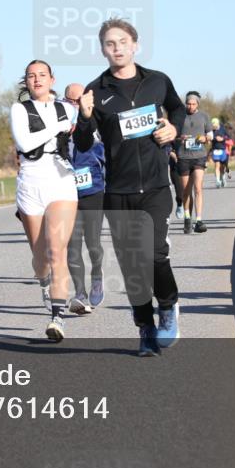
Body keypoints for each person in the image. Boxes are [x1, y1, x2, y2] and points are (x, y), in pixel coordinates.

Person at [74, 18, 185, 356]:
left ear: (135, 45)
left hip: (153, 185)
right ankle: (145, 329)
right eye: (110, 43)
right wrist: (83, 115)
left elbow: (177, 109)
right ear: (103, 50)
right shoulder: (97, 90)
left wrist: (173, 130)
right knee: (131, 266)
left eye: (122, 41)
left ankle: (167, 306)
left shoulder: (157, 81)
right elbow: (81, 143)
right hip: (117, 190)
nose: (117, 47)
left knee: (152, 253)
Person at [10, 60, 79, 340]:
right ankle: (43, 280)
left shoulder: (68, 109)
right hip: (30, 181)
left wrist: (81, 116)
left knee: (56, 251)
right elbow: (25, 143)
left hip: (61, 180)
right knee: (41, 260)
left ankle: (57, 317)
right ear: (26, 82)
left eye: (42, 75)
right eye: (31, 76)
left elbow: (83, 134)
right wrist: (57, 127)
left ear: (52, 79)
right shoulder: (19, 109)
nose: (36, 79)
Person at [64, 82, 106, 313]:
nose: (76, 104)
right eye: (72, 100)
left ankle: (97, 277)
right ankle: (79, 293)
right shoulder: (58, 122)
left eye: (80, 100)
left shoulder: (95, 120)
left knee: (93, 242)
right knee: (72, 245)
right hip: (66, 192)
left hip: (93, 188)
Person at [177, 91, 212, 234]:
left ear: (198, 104)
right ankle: (187, 217)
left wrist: (205, 138)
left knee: (198, 188)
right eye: (188, 103)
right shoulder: (179, 116)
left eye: (193, 103)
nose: (190, 106)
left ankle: (198, 220)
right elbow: (173, 134)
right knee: (186, 191)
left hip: (199, 156)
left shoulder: (204, 116)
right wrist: (180, 138)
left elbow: (210, 134)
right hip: (183, 157)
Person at [210, 117, 230, 187]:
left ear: (217, 124)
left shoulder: (223, 129)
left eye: (215, 126)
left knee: (222, 167)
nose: (214, 127)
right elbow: (209, 138)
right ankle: (218, 181)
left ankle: (223, 178)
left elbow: (228, 137)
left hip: (222, 150)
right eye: (213, 126)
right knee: (217, 165)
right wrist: (214, 138)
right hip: (215, 150)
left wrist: (222, 138)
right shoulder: (211, 131)